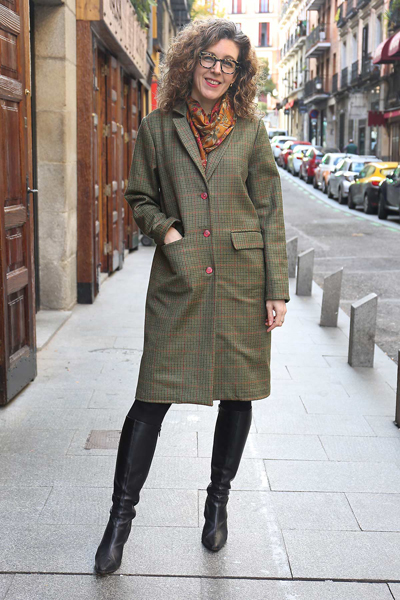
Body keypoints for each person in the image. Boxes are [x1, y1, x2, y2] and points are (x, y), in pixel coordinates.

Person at [94, 17, 290, 576]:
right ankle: (119, 523)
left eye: (229, 63)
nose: (217, 69)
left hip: (240, 281)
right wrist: (169, 233)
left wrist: (276, 288)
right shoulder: (158, 125)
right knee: (149, 401)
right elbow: (139, 195)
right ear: (191, 60)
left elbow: (271, 212)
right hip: (180, 282)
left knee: (238, 394)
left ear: (238, 75)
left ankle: (218, 502)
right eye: (210, 58)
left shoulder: (251, 133)